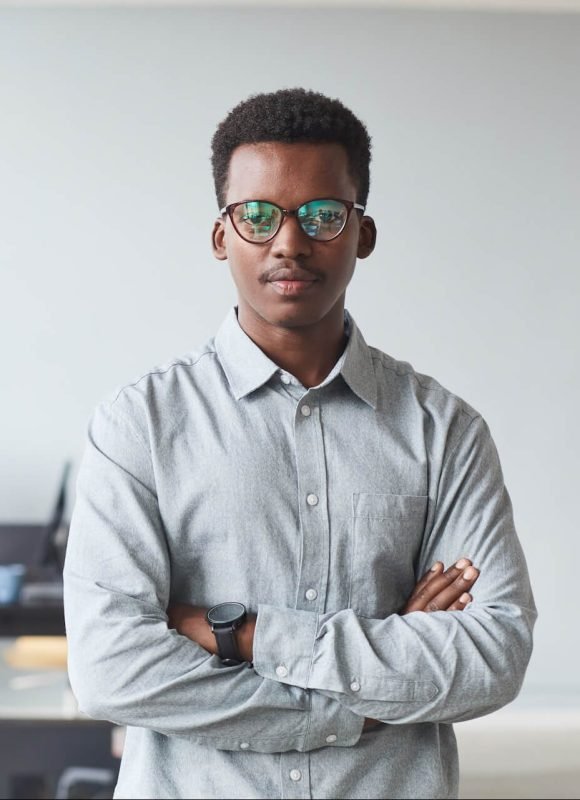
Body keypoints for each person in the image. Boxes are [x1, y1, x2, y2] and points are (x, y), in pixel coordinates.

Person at [63, 88, 536, 800]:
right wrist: (358, 699)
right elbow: (111, 668)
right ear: (222, 235)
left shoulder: (445, 431)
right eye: (257, 215)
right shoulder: (139, 426)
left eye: (322, 215)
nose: (289, 241)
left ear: (361, 234)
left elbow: (491, 653)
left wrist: (246, 635)